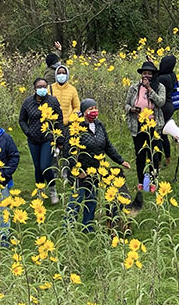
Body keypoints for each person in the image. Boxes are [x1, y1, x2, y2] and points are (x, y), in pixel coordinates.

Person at [66, 99, 131, 232]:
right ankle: (68, 228)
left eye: (95, 108)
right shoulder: (76, 127)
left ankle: (87, 227)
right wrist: (78, 170)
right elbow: (68, 151)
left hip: (96, 170)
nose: (93, 111)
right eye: (90, 109)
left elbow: (107, 146)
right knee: (76, 200)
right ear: (83, 112)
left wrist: (120, 160)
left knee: (92, 199)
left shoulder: (99, 125)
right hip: (80, 171)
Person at [19, 78, 64, 204]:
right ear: (34, 88)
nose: (42, 88)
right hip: (33, 139)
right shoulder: (28, 102)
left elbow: (59, 119)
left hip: (47, 138)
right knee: (38, 167)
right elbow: (22, 120)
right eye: (39, 86)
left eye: (44, 86)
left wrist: (59, 139)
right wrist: (28, 132)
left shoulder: (52, 101)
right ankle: (40, 191)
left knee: (45, 166)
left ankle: (52, 189)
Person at [124, 61, 166, 193]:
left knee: (154, 155)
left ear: (153, 75)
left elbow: (161, 102)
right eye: (144, 73)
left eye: (149, 73)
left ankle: (153, 181)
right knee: (140, 154)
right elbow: (125, 104)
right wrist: (131, 109)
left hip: (154, 126)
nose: (146, 76)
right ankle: (141, 181)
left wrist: (150, 89)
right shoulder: (134, 88)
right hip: (138, 125)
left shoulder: (159, 87)